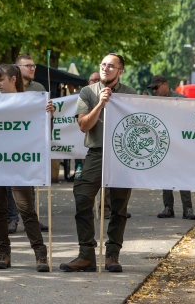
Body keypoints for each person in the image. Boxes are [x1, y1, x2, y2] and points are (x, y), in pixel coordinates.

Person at [60, 53, 136, 273]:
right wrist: (100, 104)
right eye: (103, 65)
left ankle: (112, 255)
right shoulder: (87, 92)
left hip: (122, 155)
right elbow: (84, 125)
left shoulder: (130, 94)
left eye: (111, 66)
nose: (105, 68)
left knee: (119, 207)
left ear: (120, 71)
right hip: (96, 152)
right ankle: (86, 255)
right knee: (82, 197)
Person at [0, 64, 52, 272]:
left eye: (1, 79)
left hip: (19, 163)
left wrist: (49, 116)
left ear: (13, 79)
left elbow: (43, 131)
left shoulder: (31, 101)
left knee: (26, 209)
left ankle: (40, 255)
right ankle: (3, 254)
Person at [148, 74, 195, 220]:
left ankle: (187, 209)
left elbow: (190, 120)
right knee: (165, 177)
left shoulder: (181, 100)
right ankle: (168, 208)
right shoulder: (154, 103)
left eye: (156, 88)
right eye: (152, 89)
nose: (154, 91)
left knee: (183, 177)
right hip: (164, 145)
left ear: (164, 84)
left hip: (180, 146)